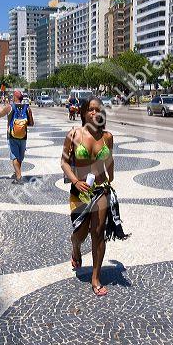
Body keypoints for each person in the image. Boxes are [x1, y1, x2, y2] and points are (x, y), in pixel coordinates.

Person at [61, 96, 129, 297]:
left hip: (100, 189)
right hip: (79, 191)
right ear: (83, 112)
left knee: (98, 232)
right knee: (81, 233)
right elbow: (64, 162)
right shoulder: (74, 134)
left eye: (98, 110)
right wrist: (75, 181)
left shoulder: (107, 137)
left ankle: (95, 277)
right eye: (91, 109)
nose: (94, 113)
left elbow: (109, 159)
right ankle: (75, 249)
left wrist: (111, 177)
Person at [0, 90, 34, 184]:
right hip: (23, 136)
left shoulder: (10, 107)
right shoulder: (27, 108)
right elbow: (31, 123)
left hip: (12, 135)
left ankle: (19, 177)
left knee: (15, 156)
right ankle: (17, 173)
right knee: (20, 157)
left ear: (15, 97)